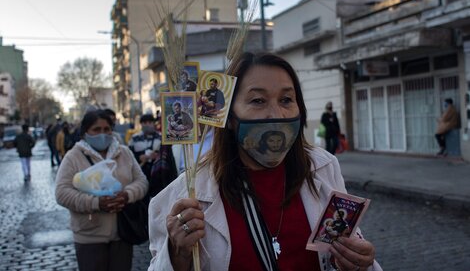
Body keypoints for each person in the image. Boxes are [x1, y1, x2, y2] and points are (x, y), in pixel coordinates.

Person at [148, 53, 381, 271]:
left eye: (287, 99)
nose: (276, 114)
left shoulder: (324, 167)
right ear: (228, 117)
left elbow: (348, 243)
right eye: (258, 100)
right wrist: (177, 255)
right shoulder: (186, 195)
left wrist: (360, 262)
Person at [55, 110, 148, 271]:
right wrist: (96, 203)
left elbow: (142, 181)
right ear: (85, 133)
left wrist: (127, 195)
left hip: (122, 232)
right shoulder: (73, 157)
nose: (102, 134)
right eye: (96, 130)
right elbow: (62, 193)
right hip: (89, 236)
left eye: (107, 129)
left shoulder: (124, 152)